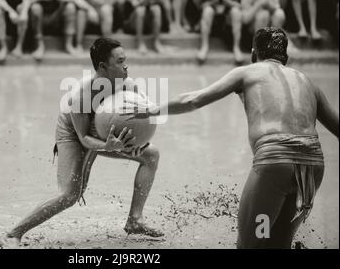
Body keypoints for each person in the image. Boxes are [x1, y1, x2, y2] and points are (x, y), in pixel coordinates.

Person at [124, 27, 339, 248]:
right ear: (286, 56)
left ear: (254, 53)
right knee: (279, 242)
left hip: (275, 166)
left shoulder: (246, 72)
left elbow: (193, 100)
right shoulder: (308, 82)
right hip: (312, 169)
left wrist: (151, 110)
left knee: (253, 242)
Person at [0, 38, 163, 247]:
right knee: (70, 195)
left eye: (125, 60)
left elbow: (144, 122)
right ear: (103, 66)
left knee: (151, 155)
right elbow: (84, 138)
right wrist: (107, 146)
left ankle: (135, 221)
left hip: (106, 135)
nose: (126, 65)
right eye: (120, 61)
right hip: (74, 134)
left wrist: (139, 141)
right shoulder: (82, 96)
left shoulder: (130, 86)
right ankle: (14, 233)